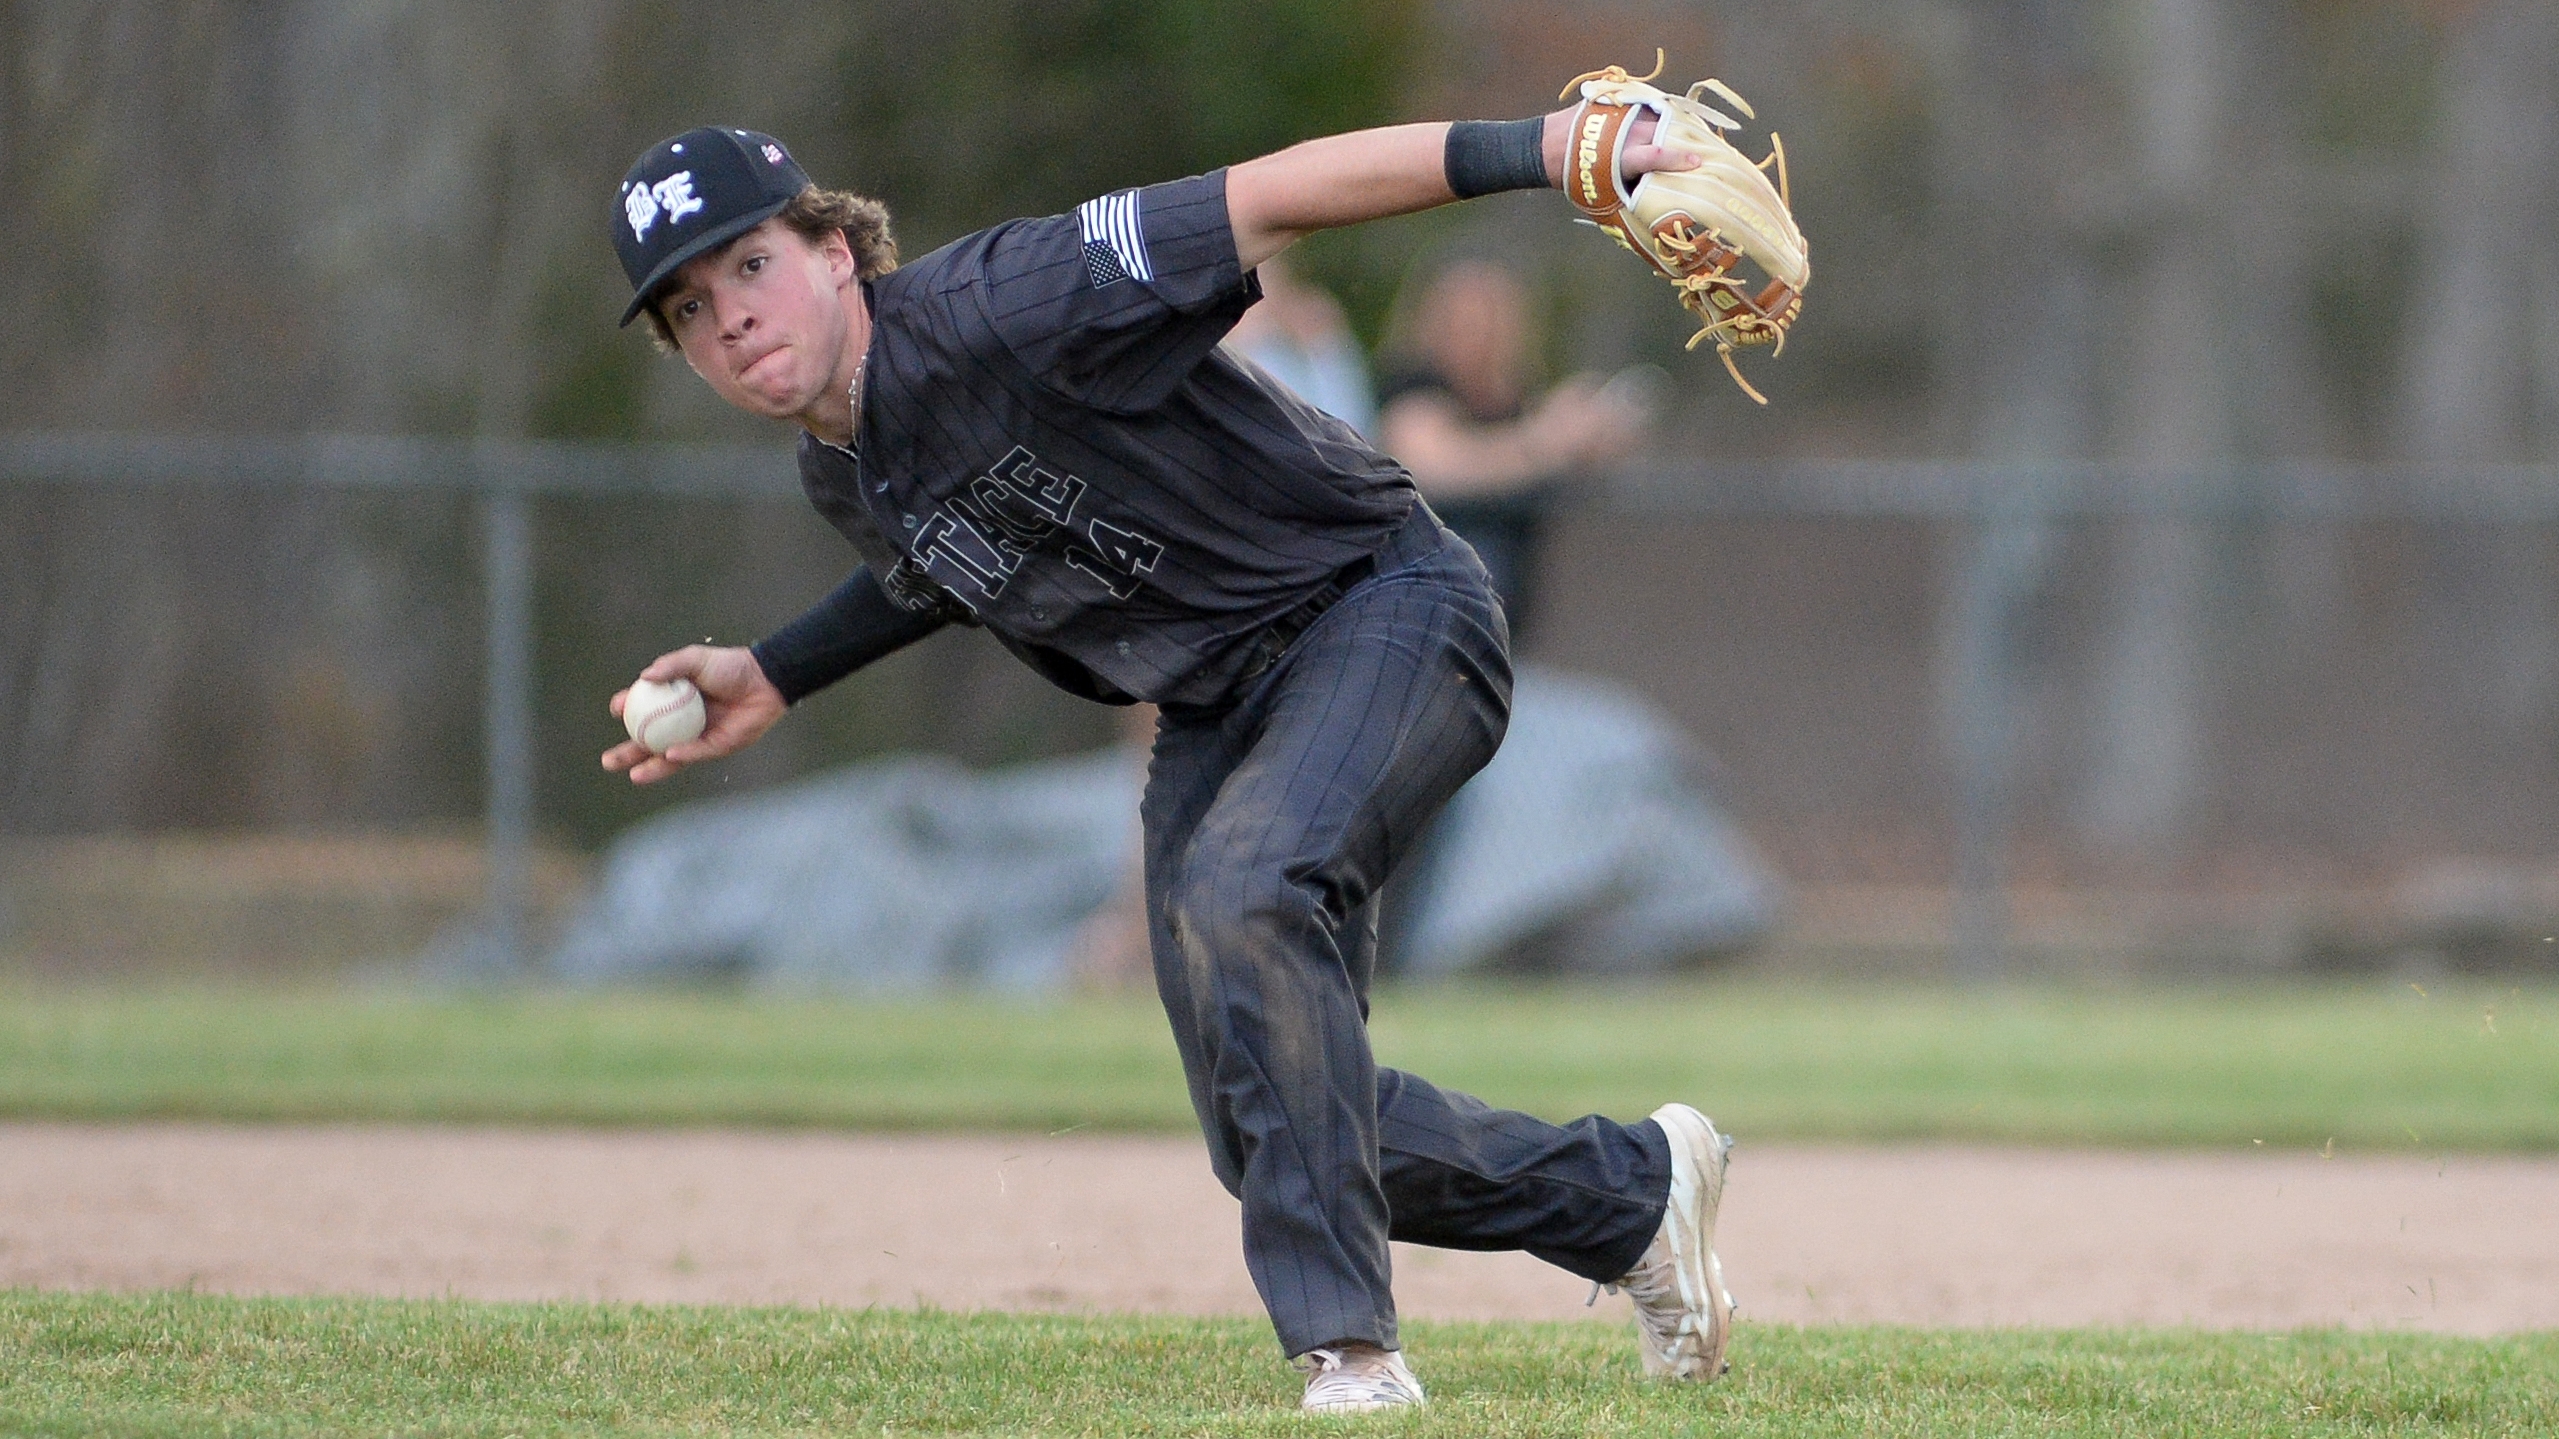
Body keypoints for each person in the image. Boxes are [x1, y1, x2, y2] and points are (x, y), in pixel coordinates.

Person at [598, 109, 1735, 1413]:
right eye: (688, 308)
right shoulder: (842, 470)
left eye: (748, 264)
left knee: (1246, 889)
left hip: (1380, 605)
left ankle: (1349, 1353)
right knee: (1264, 1125)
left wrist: (1544, 146)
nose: (728, 316)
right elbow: (937, 564)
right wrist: (776, 667)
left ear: (835, 250)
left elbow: (1277, 193)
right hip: (1216, 702)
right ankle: (1627, 1192)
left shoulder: (1012, 298)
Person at [1376, 259, 1647, 641]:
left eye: (1489, 321)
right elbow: (1430, 464)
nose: (1477, 336)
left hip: (1507, 621)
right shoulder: (1414, 385)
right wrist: (1548, 440)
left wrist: (1592, 432)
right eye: (1463, 321)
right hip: (1424, 618)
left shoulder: (1516, 400)